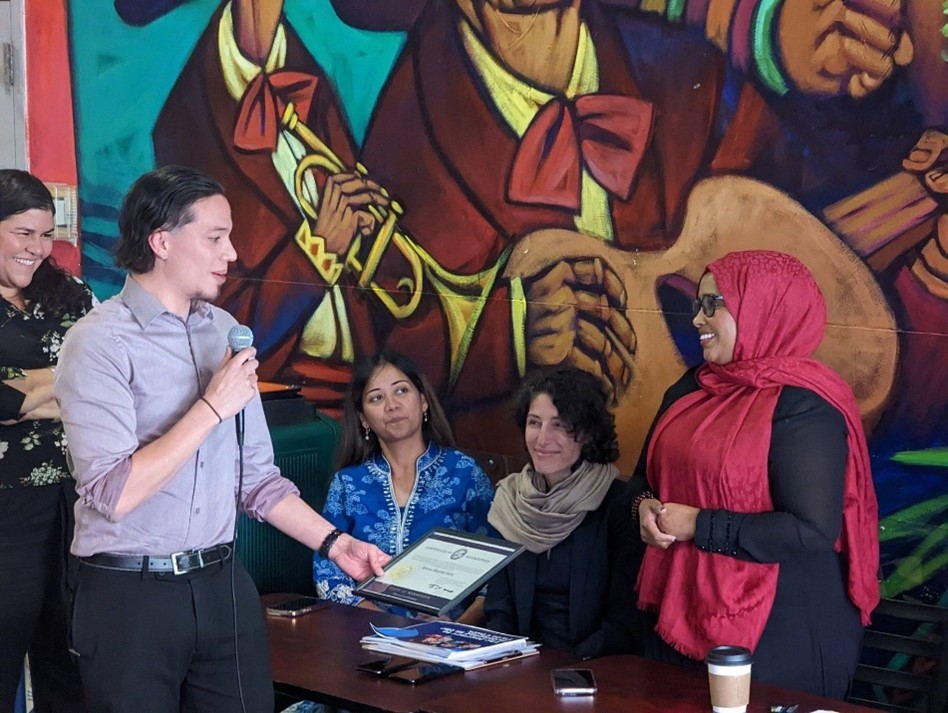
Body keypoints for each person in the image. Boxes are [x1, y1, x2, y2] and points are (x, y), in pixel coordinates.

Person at [54, 165, 389, 712]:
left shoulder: (222, 330)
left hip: (222, 585)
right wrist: (212, 405)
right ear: (161, 241)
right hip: (130, 596)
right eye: (215, 237)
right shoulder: (98, 343)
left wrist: (335, 543)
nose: (231, 253)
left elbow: (256, 480)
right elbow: (114, 492)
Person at [630, 250, 879, 698]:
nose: (698, 320)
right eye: (698, 306)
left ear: (765, 306)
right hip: (677, 610)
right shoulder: (691, 390)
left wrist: (698, 525)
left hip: (781, 634)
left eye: (714, 304)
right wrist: (644, 509)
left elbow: (811, 530)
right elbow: (640, 483)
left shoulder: (805, 406)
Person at [0, 169, 93, 712]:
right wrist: (61, 381)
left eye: (44, 234)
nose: (36, 249)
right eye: (21, 233)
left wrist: (24, 388)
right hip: (7, 507)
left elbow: (105, 384)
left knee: (73, 657)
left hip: (77, 501)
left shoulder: (72, 294)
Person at [314, 350, 494, 623]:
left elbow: (494, 569)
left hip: (450, 642)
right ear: (363, 418)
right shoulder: (348, 484)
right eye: (376, 398)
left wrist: (455, 628)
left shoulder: (464, 472)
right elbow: (328, 576)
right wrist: (394, 628)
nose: (392, 405)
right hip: (366, 639)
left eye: (401, 391)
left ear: (423, 402)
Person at [483, 367, 639, 659]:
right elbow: (498, 609)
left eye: (559, 425)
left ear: (588, 433)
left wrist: (568, 671)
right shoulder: (509, 499)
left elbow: (623, 623)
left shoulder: (617, 504)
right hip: (518, 667)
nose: (542, 439)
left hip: (594, 670)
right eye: (534, 422)